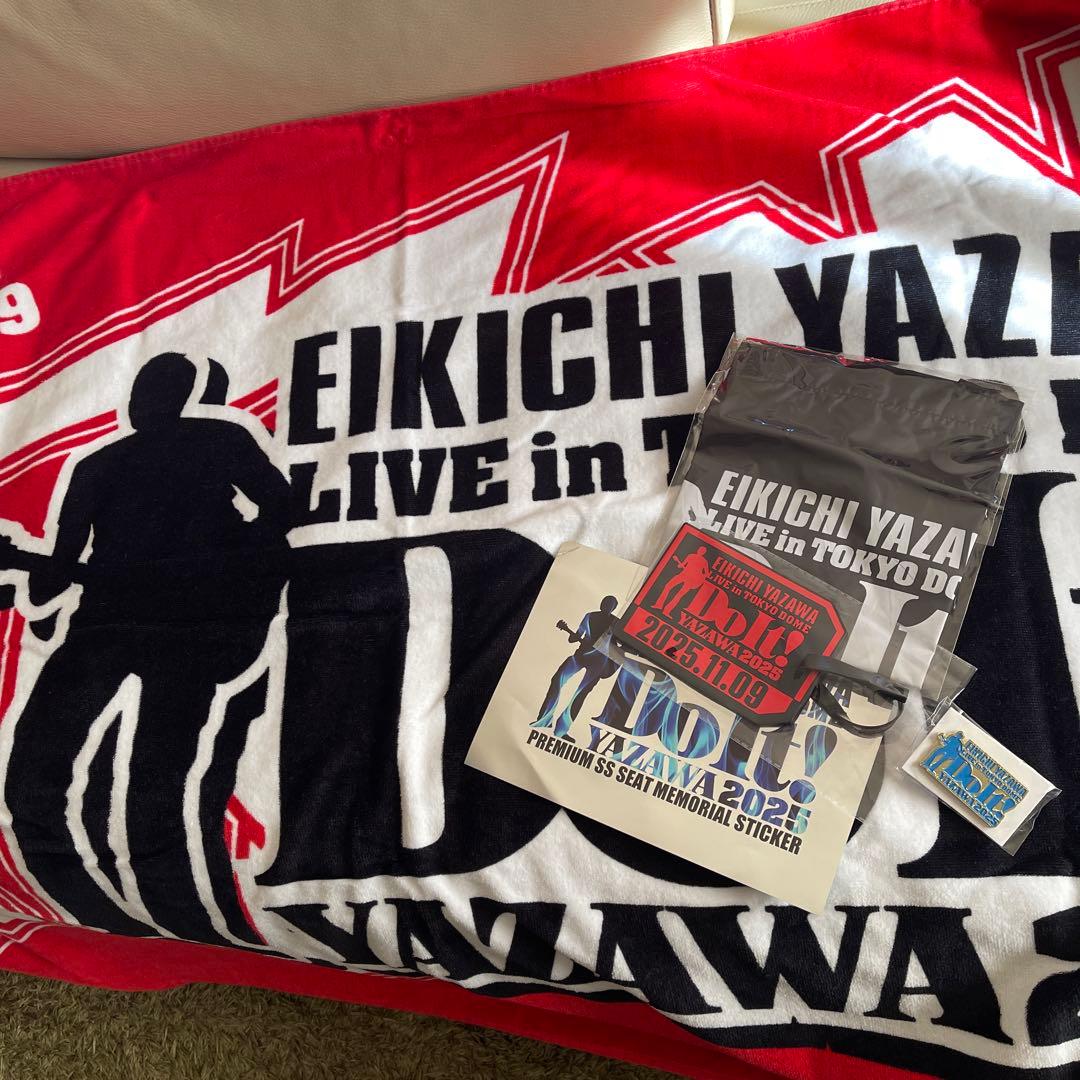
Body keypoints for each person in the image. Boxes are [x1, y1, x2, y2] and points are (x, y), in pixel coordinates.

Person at [4, 352, 290, 945]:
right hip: (127, 619)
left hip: (166, 624)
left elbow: (283, 509)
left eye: (151, 389)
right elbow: (61, 569)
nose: (141, 401)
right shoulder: (110, 463)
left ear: (176, 395)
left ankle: (167, 906)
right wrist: (23, 570)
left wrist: (234, 560)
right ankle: (111, 897)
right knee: (87, 760)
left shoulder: (206, 442)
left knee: (139, 767)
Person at [532, 595, 620, 741]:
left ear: (614, 607)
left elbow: (619, 646)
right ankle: (544, 720)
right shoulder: (590, 616)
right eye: (604, 602)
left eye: (609, 604)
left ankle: (562, 731)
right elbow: (575, 637)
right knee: (557, 680)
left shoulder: (615, 622)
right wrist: (570, 632)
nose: (605, 605)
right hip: (580, 655)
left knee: (580, 694)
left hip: (599, 664)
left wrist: (609, 659)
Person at [654, 545, 711, 616]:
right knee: (668, 586)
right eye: (700, 549)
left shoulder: (704, 561)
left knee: (679, 594)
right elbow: (683, 565)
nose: (700, 551)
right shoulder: (691, 556)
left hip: (691, 579)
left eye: (702, 551)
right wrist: (680, 564)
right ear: (698, 550)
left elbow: (706, 574)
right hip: (683, 575)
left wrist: (698, 577)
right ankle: (659, 605)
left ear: (703, 552)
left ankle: (666, 611)